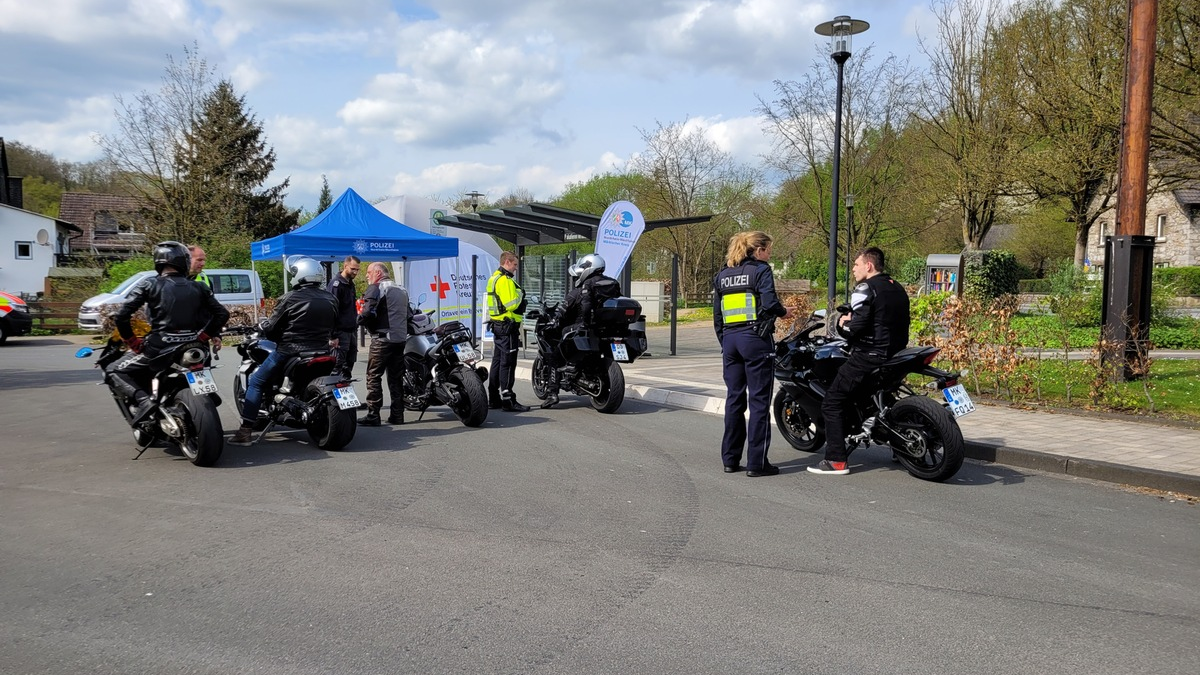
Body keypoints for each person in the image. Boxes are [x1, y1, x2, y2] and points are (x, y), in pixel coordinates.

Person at [810, 246, 911, 475]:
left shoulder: (865, 288)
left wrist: (844, 322)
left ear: (869, 265)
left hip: (870, 355)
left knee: (832, 401)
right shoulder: (897, 287)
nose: (853, 269)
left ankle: (835, 460)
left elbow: (856, 328)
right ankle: (899, 445)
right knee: (884, 397)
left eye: (856, 264)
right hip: (896, 354)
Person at [107, 241, 229, 422]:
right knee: (201, 366)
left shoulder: (149, 284)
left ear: (158, 262)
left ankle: (143, 400)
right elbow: (221, 314)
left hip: (159, 347)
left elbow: (121, 316)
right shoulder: (200, 286)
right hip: (194, 345)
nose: (202, 263)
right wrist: (204, 336)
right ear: (184, 261)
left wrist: (133, 342)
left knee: (113, 371)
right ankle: (206, 395)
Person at [229, 256, 340, 445]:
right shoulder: (330, 298)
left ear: (301, 275)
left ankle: (245, 431)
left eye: (294, 273)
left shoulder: (290, 298)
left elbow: (271, 328)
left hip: (291, 351)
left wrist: (264, 328)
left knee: (256, 382)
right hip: (322, 351)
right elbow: (335, 326)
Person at [713, 231, 791, 477]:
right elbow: (769, 303)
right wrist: (783, 312)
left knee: (734, 399)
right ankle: (757, 463)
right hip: (755, 340)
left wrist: (725, 341)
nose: (769, 254)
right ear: (758, 250)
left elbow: (717, 315)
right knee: (758, 401)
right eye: (768, 249)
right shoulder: (760, 270)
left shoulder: (722, 275)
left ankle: (730, 460)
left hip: (730, 340)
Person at [540, 253, 622, 409]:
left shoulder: (580, 290)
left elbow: (562, 311)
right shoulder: (611, 283)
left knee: (555, 356)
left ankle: (552, 393)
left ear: (587, 269)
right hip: (606, 330)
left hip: (583, 327)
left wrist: (553, 321)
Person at [357, 262, 410, 426]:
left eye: (369, 272)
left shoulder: (377, 288)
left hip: (382, 339)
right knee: (396, 378)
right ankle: (397, 415)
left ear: (378, 273)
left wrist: (353, 322)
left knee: (373, 376)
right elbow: (409, 314)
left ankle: (373, 415)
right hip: (400, 339)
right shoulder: (402, 290)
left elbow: (367, 312)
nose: (367, 276)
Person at [486, 251, 530, 412]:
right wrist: (520, 294)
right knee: (508, 363)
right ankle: (508, 399)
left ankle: (494, 397)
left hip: (498, 325)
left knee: (497, 361)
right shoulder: (505, 281)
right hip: (507, 326)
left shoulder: (494, 278)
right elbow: (511, 304)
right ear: (507, 262)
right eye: (515, 264)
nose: (516, 268)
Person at [327, 255, 361, 378]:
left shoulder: (349, 283)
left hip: (351, 331)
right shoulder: (336, 285)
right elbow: (331, 311)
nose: (355, 272)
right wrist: (333, 335)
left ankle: (345, 391)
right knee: (337, 366)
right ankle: (332, 395)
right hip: (340, 333)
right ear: (345, 266)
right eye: (353, 269)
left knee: (349, 365)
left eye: (357, 269)